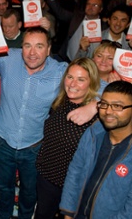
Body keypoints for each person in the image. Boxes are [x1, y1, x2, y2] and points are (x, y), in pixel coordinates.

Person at [0, 26, 98, 218]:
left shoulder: (61, 70)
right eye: (27, 46)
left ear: (48, 49)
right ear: (21, 48)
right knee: (3, 190)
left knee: (29, 193)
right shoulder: (7, 58)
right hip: (3, 141)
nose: (32, 52)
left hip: (35, 146)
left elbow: (102, 85)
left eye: (39, 46)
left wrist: (95, 105)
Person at [60, 81, 132, 218]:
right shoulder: (93, 133)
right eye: (104, 104)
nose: (108, 111)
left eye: (117, 106)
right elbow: (75, 172)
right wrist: (68, 213)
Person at [35, 58, 101, 218]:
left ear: (91, 83)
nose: (72, 84)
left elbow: (126, 108)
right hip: (47, 176)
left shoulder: (97, 114)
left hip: (74, 186)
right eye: (70, 77)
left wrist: (97, 106)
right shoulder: (60, 101)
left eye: (81, 79)